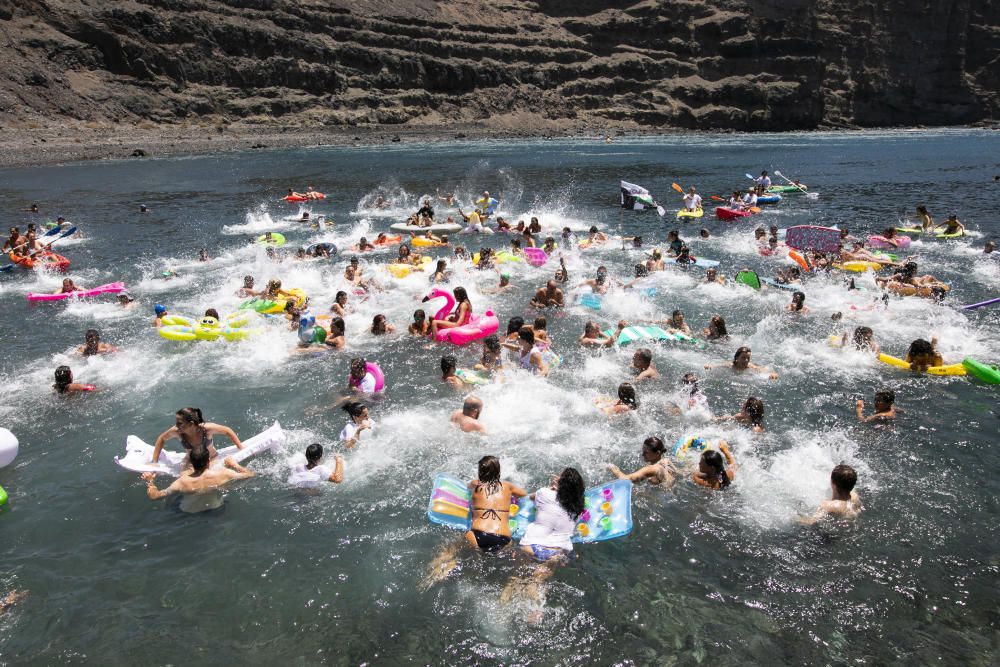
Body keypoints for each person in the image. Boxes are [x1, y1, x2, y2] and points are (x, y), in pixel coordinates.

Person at [142, 446, 254, 504]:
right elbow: (250, 474)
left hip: (188, 513)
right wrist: (234, 465)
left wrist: (150, 481)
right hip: (216, 508)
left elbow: (155, 496)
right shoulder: (224, 473)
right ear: (209, 461)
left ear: (192, 465)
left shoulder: (182, 482)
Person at [518, 468, 585, 562]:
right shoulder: (578, 508)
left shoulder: (544, 493)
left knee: (522, 562)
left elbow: (531, 497)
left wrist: (552, 488)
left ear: (560, 482)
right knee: (555, 559)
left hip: (531, 546)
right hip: (558, 550)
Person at [464, 456, 528, 552]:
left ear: (480, 471)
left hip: (478, 533)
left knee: (454, 548)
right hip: (503, 538)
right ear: (498, 471)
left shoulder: (476, 483)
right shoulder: (508, 486)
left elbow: (467, 486)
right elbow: (524, 494)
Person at [151, 407, 243, 464]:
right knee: (186, 483)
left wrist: (241, 448)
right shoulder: (177, 431)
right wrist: (154, 461)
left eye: (180, 423)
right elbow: (161, 439)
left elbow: (228, 431)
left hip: (211, 459)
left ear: (191, 424)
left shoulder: (206, 429)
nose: (176, 425)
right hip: (190, 462)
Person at [608, 436, 675, 486]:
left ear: (657, 453)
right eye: (643, 451)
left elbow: (625, 480)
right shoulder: (666, 460)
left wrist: (612, 468)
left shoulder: (651, 469)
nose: (642, 454)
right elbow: (679, 473)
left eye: (646, 452)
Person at [705, 346, 778, 379]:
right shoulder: (731, 365)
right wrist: (710, 367)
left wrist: (773, 374)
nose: (746, 360)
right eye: (743, 357)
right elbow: (718, 366)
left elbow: (762, 369)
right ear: (737, 358)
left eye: (748, 358)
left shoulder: (750, 366)